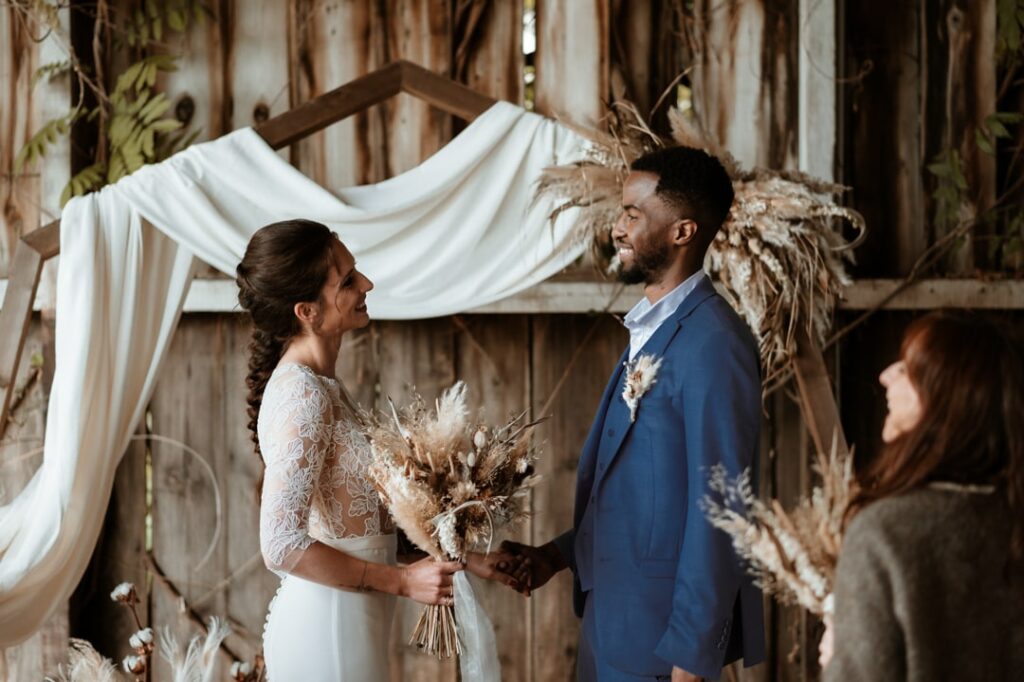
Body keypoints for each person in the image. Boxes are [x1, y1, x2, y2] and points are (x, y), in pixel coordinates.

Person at [502, 147, 765, 681]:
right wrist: (555, 556)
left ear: (682, 231)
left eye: (633, 214)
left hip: (661, 641)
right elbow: (642, 498)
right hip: (610, 622)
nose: (618, 227)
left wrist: (691, 657)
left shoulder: (715, 344)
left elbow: (722, 509)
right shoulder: (652, 329)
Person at [236, 219, 518, 681]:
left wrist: (464, 561)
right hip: (327, 629)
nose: (366, 284)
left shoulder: (326, 386)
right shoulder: (302, 394)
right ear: (306, 311)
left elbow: (358, 530)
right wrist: (403, 583)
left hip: (354, 619)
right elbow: (281, 544)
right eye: (347, 281)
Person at [819, 311, 1024, 681]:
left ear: (946, 398)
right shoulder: (1012, 518)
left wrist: (838, 657)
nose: (885, 375)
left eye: (907, 369)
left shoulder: (885, 535)